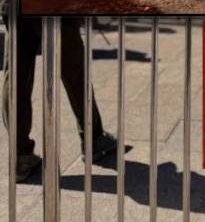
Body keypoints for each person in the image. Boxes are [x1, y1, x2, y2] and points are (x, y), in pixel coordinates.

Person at [2, 19, 118, 182]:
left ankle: (21, 155)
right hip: (52, 1)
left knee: (16, 73)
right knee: (74, 69)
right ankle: (94, 139)